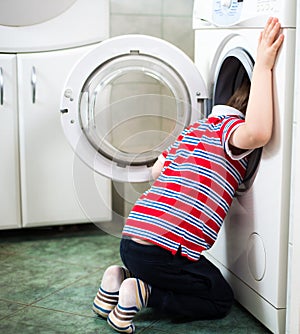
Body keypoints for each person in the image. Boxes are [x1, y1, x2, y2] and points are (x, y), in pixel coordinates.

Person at [92, 17, 284, 333]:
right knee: (219, 298)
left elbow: (157, 170)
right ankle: (143, 293)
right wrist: (262, 66)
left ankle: (116, 280)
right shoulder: (230, 131)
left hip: (131, 242)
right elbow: (260, 132)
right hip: (162, 252)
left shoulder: (193, 132)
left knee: (176, 272)